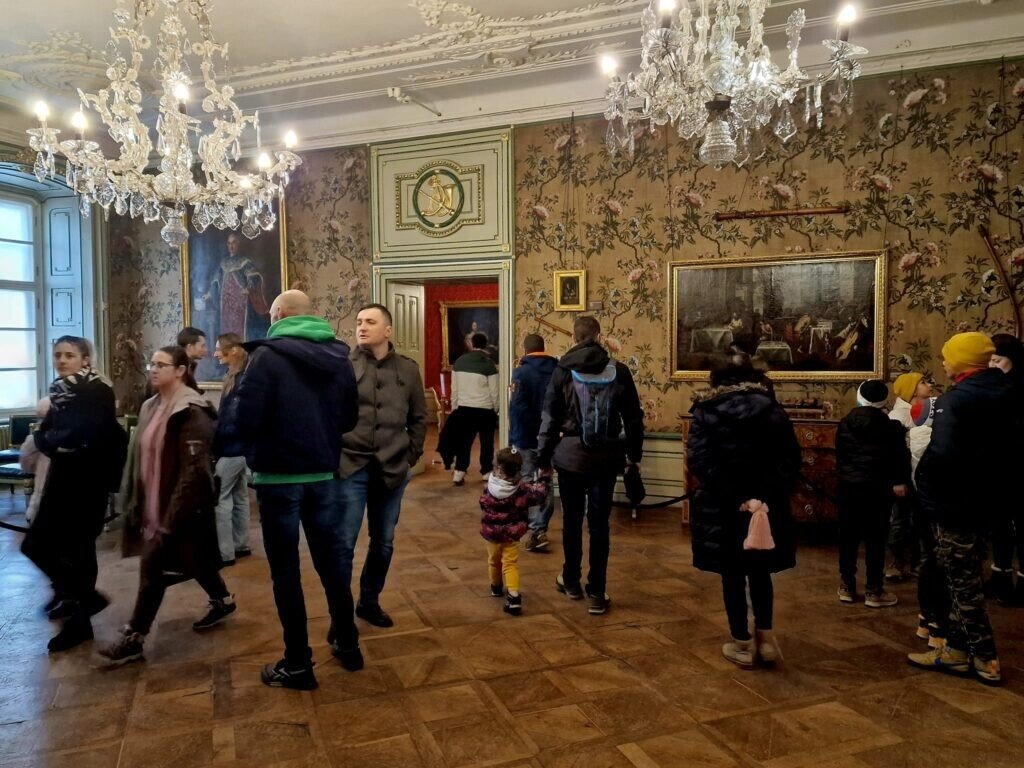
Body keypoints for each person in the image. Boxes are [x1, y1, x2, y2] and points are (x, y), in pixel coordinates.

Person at [232, 290, 360, 690]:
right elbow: (349, 418)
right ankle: (348, 644)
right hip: (323, 474)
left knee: (286, 573)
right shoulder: (339, 357)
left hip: (278, 480)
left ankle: (298, 663)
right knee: (332, 565)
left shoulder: (265, 357)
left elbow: (245, 420)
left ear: (279, 315)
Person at [100, 346, 233, 667]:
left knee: (153, 570)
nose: (153, 369)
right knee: (195, 560)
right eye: (152, 363)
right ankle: (222, 599)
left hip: (181, 507)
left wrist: (168, 518)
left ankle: (135, 636)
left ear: (180, 370)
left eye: (161, 364)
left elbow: (193, 473)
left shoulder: (192, 411)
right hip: (153, 503)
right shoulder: (151, 406)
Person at [909, 332, 1021, 685]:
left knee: (962, 584)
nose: (943, 362)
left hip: (954, 502)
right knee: (968, 575)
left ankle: (985, 658)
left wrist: (925, 490)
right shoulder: (1009, 391)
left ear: (961, 361)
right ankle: (957, 651)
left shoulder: (956, 400)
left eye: (947, 356)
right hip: (992, 500)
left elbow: (943, 456)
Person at [687, 360, 801, 668]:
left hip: (723, 506)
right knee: (761, 572)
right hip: (765, 507)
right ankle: (765, 640)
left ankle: (741, 643)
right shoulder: (773, 410)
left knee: (732, 574)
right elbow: (790, 460)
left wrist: (738, 498)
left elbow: (701, 462)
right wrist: (762, 498)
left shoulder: (706, 411)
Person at [20, 337, 125, 652]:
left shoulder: (97, 389)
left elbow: (78, 434)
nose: (62, 361)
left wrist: (50, 439)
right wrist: (51, 439)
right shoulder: (60, 390)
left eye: (69, 355)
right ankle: (84, 598)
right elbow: (48, 434)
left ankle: (79, 619)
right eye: (58, 355)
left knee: (79, 551)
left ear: (85, 359)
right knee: (36, 545)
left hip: (87, 481)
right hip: (62, 477)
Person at [537, 316, 644, 616]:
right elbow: (633, 418)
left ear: (574, 337)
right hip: (606, 460)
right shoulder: (619, 371)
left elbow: (549, 419)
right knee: (599, 525)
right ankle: (597, 590)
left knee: (571, 521)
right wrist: (634, 457)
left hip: (570, 458)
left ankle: (570, 580)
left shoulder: (562, 370)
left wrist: (543, 460)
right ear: (598, 337)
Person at [337, 304, 426, 630]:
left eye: (370, 322)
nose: (362, 327)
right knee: (343, 544)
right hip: (351, 466)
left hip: (392, 468)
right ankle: (340, 614)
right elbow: (330, 415)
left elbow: (419, 418)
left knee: (383, 541)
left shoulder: (408, 370)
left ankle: (369, 602)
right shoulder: (343, 366)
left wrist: (410, 456)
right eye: (359, 321)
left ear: (387, 330)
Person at [835, 379, 910, 608]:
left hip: (848, 487)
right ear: (884, 400)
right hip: (878, 489)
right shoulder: (892, 427)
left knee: (848, 538)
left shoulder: (845, 423)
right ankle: (874, 590)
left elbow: (840, 456)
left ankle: (847, 586)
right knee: (875, 539)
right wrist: (899, 481)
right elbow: (899, 458)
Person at [480, 447, 549, 616]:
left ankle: (496, 587)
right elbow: (539, 495)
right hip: (511, 534)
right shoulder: (522, 489)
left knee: (493, 561)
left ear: (498, 469)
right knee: (510, 564)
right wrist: (544, 477)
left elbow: (482, 503)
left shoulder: (489, 487)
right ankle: (513, 596)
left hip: (492, 534)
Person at [907, 396, 950, 649]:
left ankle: (924, 619)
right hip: (938, 508)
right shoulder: (935, 444)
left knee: (928, 561)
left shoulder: (915, 436)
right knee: (940, 565)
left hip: (920, 505)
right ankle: (937, 627)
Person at [509, 334, 558, 552]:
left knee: (527, 481)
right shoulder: (558, 370)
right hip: (550, 436)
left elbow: (517, 408)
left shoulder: (521, 372)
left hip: (526, 437)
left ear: (525, 349)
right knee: (546, 480)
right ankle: (540, 528)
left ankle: (533, 528)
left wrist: (515, 435)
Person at [885, 372, 934, 581]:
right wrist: (898, 480)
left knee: (921, 522)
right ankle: (897, 562)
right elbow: (893, 453)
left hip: (923, 476)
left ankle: (919, 562)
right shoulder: (898, 417)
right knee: (900, 521)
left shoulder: (928, 410)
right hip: (905, 477)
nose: (929, 385)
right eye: (923, 382)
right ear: (912, 390)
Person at [987, 333, 1024, 605]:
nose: (992, 365)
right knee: (999, 524)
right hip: (998, 465)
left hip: (1018, 464)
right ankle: (1000, 577)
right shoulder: (995, 385)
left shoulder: (1017, 388)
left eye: (997, 360)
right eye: (989, 360)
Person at [212, 333, 252, 566]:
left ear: (234, 350)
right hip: (240, 448)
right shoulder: (237, 376)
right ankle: (241, 544)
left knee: (220, 499)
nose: (216, 353)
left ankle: (225, 552)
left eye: (219, 349)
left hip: (232, 448)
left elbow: (233, 418)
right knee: (239, 497)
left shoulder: (241, 380)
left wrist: (217, 436)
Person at [450, 332, 499, 485]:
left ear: (471, 343)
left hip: (464, 408)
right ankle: (486, 471)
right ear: (485, 344)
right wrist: (496, 408)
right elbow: (494, 391)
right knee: (487, 443)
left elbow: (454, 389)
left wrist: (455, 407)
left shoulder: (459, 362)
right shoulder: (489, 364)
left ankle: (459, 472)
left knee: (464, 442)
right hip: (485, 409)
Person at [203, 232, 272, 341]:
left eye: (234, 243)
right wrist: (210, 293)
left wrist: (248, 288)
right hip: (226, 302)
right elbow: (216, 280)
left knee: (240, 327)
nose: (231, 246)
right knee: (226, 327)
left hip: (240, 301)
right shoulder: (224, 262)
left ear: (238, 244)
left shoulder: (244, 262)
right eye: (229, 243)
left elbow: (253, 276)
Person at [177, 327, 208, 392]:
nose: (205, 350)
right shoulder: (176, 368)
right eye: (202, 346)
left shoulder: (190, 366)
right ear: (190, 347)